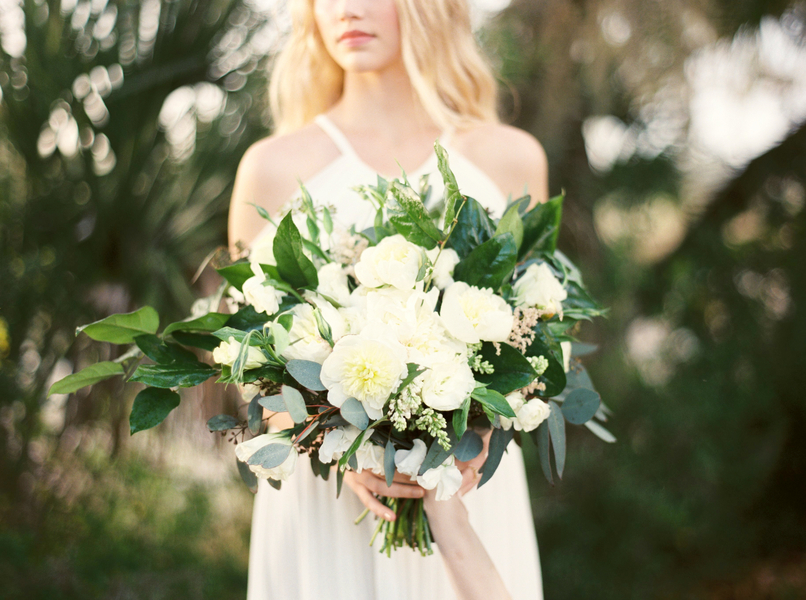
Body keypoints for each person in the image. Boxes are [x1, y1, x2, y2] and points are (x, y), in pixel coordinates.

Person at [228, 0, 547, 598]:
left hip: (470, 489)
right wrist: (334, 441)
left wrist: (475, 437)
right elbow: (248, 365)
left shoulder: (508, 158)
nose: (347, 9)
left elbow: (539, 340)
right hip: (326, 504)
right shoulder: (271, 167)